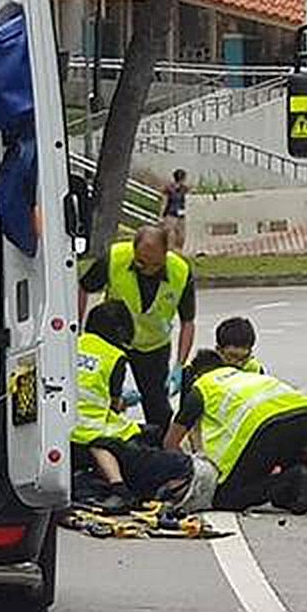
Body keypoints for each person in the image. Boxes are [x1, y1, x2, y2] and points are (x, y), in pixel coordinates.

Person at [164, 349, 307, 514]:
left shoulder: (202, 387)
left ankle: (296, 477)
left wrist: (184, 475)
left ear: (196, 375)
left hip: (268, 428)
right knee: (279, 494)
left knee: (226, 498)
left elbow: (170, 443)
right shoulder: (245, 376)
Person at [73, 301, 191, 510]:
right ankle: (119, 489)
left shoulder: (73, 344)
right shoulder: (113, 356)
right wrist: (126, 401)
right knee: (145, 438)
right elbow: (114, 403)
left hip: (64, 424)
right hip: (91, 428)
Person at [78, 226, 196, 428]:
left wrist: (179, 364)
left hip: (153, 346)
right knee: (105, 400)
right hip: (112, 341)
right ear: (133, 250)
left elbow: (188, 321)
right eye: (141, 263)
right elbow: (84, 288)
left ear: (166, 253)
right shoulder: (115, 258)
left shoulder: (181, 272)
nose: (148, 270)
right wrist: (77, 331)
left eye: (155, 265)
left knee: (157, 406)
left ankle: (160, 449)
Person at [162, 168, 189, 252]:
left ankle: (173, 249)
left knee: (175, 232)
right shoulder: (184, 189)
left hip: (174, 212)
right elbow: (165, 202)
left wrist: (161, 215)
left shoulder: (170, 188)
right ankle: (175, 249)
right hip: (176, 213)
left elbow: (164, 202)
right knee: (176, 232)